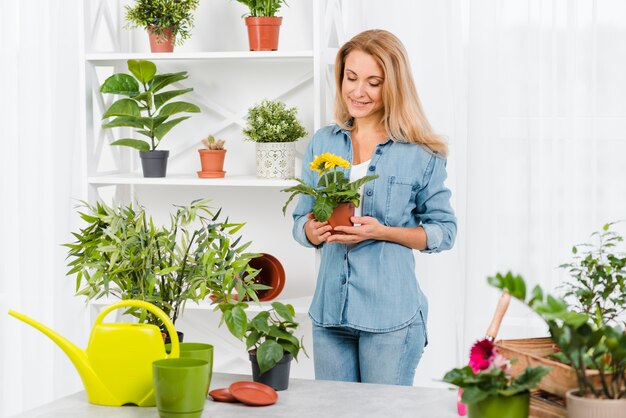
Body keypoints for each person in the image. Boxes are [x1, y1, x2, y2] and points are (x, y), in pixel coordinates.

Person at [291, 29, 457, 386]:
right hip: (330, 314)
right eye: (350, 78)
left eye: (373, 82)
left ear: (393, 87)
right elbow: (299, 217)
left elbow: (444, 232)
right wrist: (311, 230)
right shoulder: (323, 141)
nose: (357, 91)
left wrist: (382, 232)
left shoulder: (421, 152)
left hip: (391, 319)